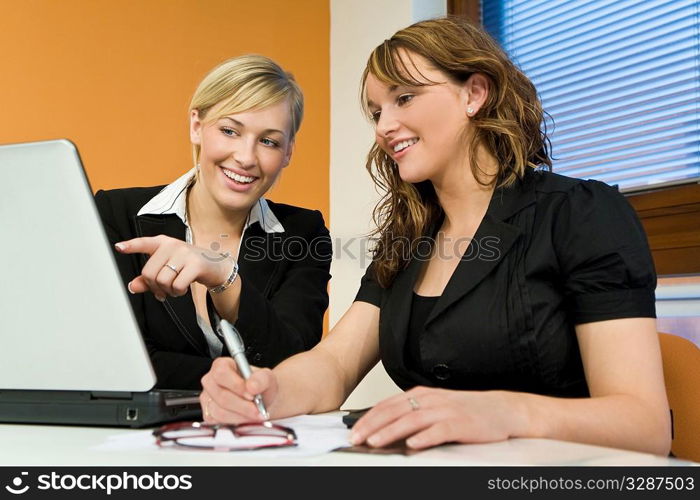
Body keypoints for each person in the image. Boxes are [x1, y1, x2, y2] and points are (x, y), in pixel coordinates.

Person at [199, 18, 671, 455]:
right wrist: (269, 390)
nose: (384, 126)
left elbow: (644, 424)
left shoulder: (580, 214)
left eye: (404, 98)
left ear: (475, 94)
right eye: (375, 111)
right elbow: (335, 364)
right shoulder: (407, 241)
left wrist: (506, 411)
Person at [95, 55, 331, 390]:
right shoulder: (116, 213)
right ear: (196, 126)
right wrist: (238, 377)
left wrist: (225, 278)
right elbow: (120, 360)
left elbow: (290, 360)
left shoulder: (304, 233)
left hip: (259, 436)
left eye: (268, 141)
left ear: (288, 151)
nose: (246, 157)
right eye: (230, 131)